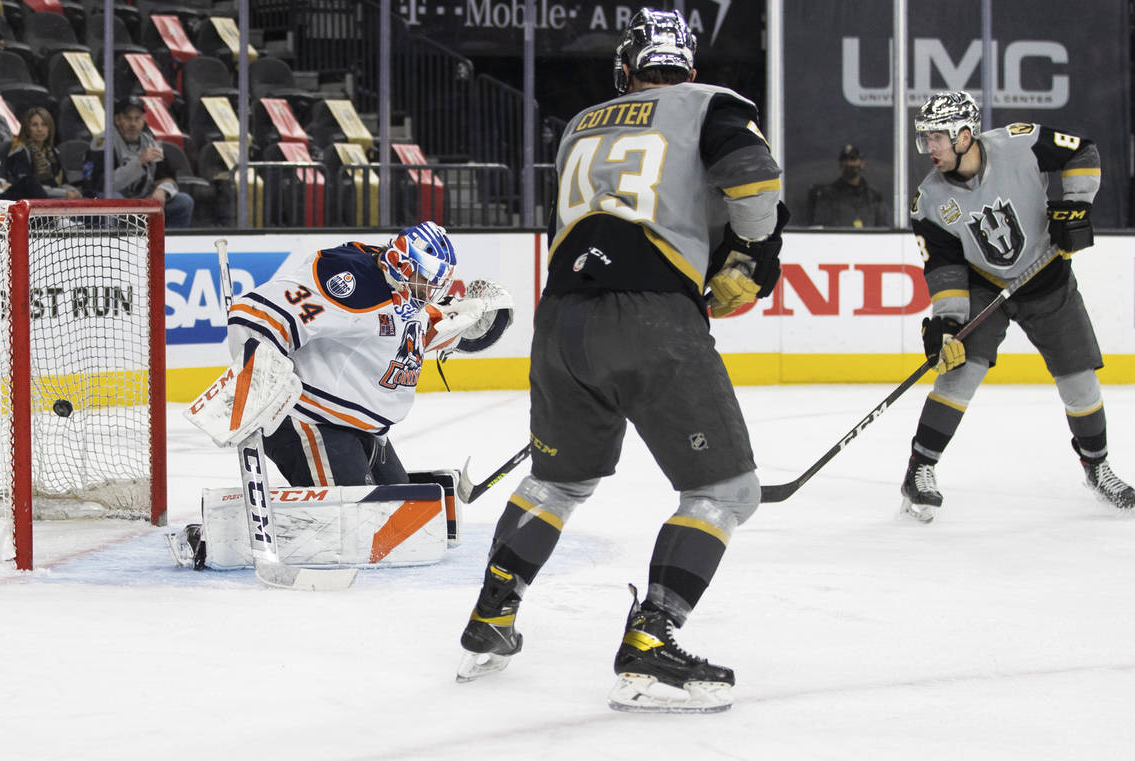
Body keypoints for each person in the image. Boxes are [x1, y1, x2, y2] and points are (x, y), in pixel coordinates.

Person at [455, 8, 785, 713]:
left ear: (625, 68)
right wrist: (757, 255)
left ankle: (491, 616)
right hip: (650, 317)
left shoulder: (583, 124)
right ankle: (650, 641)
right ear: (687, 66)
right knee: (726, 493)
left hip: (562, 320)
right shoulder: (707, 103)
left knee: (558, 482)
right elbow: (752, 178)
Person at [174, 222, 513, 567]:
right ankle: (209, 538)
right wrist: (260, 374)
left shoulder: (409, 297)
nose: (431, 290)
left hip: (364, 431)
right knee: (360, 531)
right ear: (403, 262)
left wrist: (487, 317)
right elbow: (254, 315)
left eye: (437, 282)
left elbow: (427, 332)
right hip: (308, 420)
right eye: (426, 278)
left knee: (400, 526)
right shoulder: (350, 281)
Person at [900, 90, 1135, 523]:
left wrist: (1076, 207)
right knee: (959, 373)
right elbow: (945, 268)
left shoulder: (1018, 142)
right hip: (985, 288)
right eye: (925, 138)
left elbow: (1082, 151)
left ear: (965, 134)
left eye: (937, 137)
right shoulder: (929, 201)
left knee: (1079, 379)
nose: (929, 148)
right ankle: (919, 469)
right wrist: (948, 323)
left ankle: (1096, 465)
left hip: (1048, 280)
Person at [83, 94, 194, 227]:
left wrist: (162, 190)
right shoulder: (103, 142)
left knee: (184, 202)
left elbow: (167, 177)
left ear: (144, 120)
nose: (133, 124)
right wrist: (139, 161)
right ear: (117, 120)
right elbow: (103, 185)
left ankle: (167, 243)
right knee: (113, 200)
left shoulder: (150, 142)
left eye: (137, 119)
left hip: (143, 202)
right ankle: (115, 243)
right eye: (128, 118)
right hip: (115, 203)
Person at [0, 107, 82, 200]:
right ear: (27, 128)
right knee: (30, 183)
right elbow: (29, 187)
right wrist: (64, 193)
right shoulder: (20, 151)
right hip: (21, 198)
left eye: (44, 125)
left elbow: (63, 183)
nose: (40, 129)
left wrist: (74, 192)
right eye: (34, 125)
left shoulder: (53, 153)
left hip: (50, 195)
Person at [807, 143, 888, 227]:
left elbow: (883, 227)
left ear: (862, 163)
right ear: (840, 165)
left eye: (853, 159)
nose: (848, 163)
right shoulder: (827, 195)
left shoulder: (874, 196)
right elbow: (820, 228)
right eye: (844, 160)